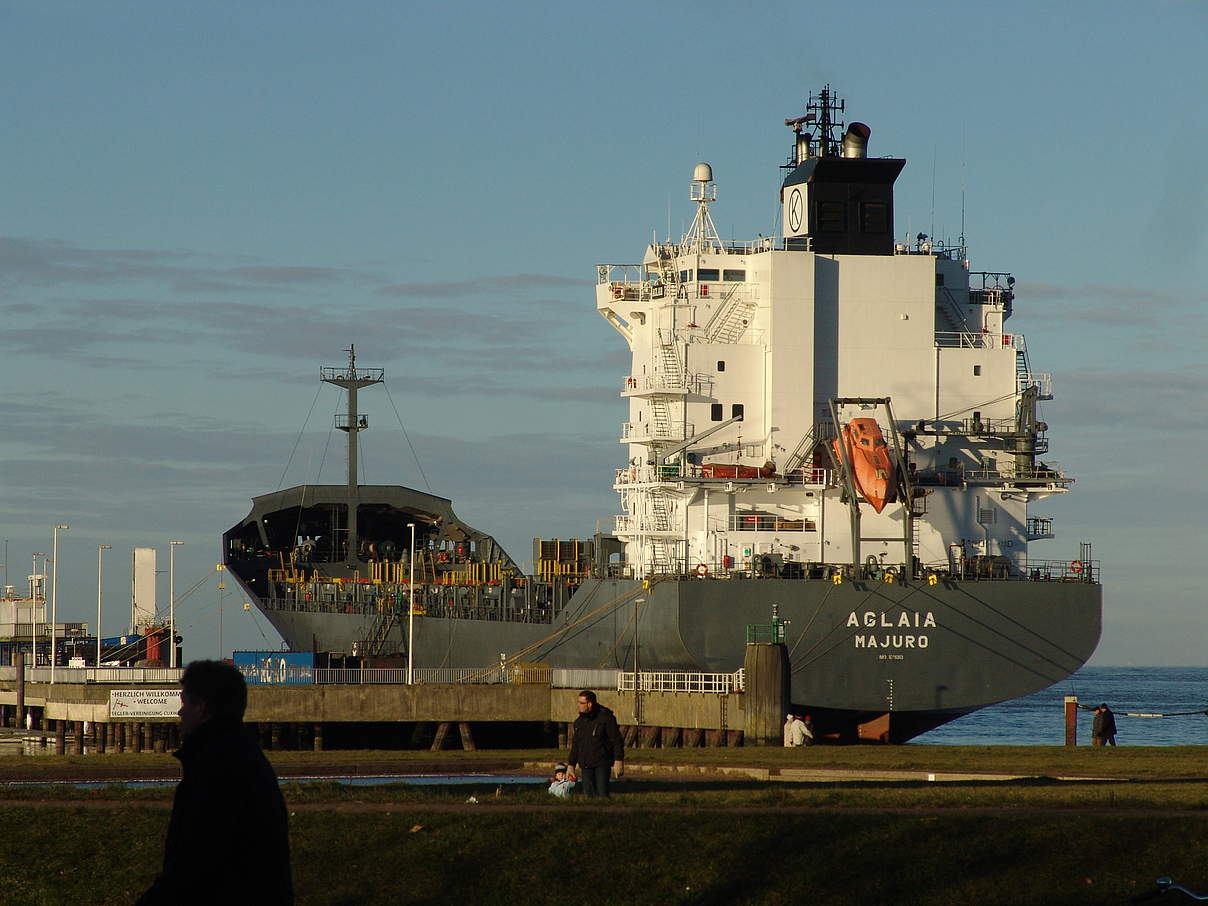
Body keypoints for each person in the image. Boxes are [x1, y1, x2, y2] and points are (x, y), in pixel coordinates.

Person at [136, 660, 293, 905]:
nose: (180, 712)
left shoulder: (214, 768)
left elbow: (193, 865)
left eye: (184, 703)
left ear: (201, 708)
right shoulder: (246, 757)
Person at [567, 690, 624, 798]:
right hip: (586, 765)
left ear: (589, 704)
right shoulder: (579, 722)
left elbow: (617, 740)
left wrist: (618, 760)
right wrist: (571, 765)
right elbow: (576, 745)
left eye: (581, 703)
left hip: (602, 763)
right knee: (589, 795)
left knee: (602, 794)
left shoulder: (606, 718)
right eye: (578, 702)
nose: (578, 705)